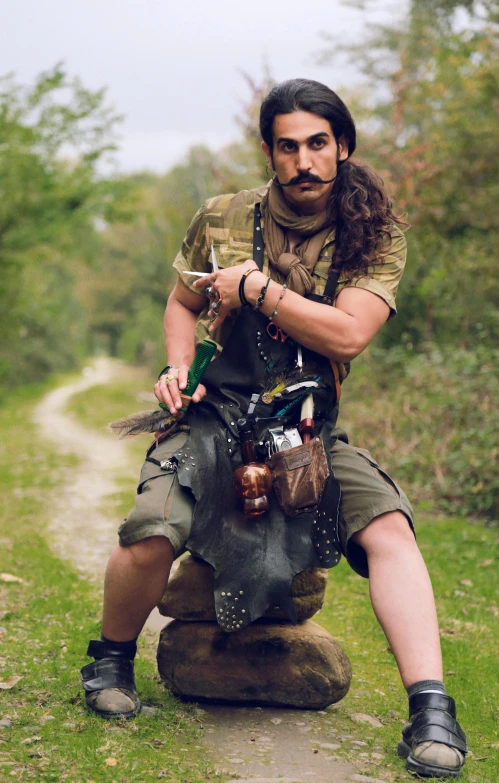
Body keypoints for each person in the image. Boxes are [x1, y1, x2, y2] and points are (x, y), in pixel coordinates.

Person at [80, 79, 467, 779]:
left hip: (304, 428)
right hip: (210, 418)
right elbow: (180, 302)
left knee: (390, 530)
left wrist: (256, 288)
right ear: (269, 150)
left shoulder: (373, 233)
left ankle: (431, 708)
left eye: (319, 143)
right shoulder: (222, 218)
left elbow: (348, 334)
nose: (304, 161)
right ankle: (109, 657)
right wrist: (178, 368)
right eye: (287, 146)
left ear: (342, 146)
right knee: (151, 532)